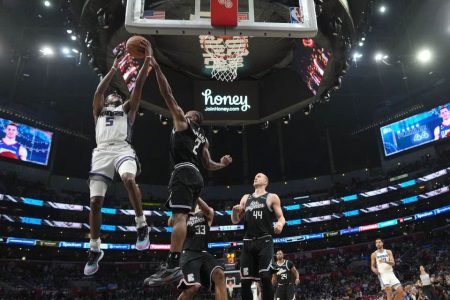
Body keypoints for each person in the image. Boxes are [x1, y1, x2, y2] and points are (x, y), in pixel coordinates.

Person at [144, 56, 232, 285]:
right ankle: (174, 261)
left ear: (191, 117)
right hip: (197, 176)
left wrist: (157, 70)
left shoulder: (183, 123)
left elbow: (167, 94)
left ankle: (172, 264)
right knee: (179, 216)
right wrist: (222, 164)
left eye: (186, 113)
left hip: (183, 171)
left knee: (180, 216)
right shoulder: (203, 138)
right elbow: (209, 164)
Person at [83, 39, 153, 276]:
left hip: (123, 148)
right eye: (110, 95)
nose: (112, 95)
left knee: (128, 179)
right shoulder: (98, 110)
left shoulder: (127, 109)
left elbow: (140, 84)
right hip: (101, 151)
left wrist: (147, 60)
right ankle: (95, 248)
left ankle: (141, 225)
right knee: (94, 202)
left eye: (115, 94)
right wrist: (113, 69)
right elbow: (98, 91)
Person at [231, 173, 286, 300]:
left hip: (264, 241)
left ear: (266, 182)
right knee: (245, 282)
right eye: (255, 176)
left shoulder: (272, 197)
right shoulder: (246, 198)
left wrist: (280, 224)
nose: (256, 177)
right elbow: (235, 221)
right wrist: (234, 212)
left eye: (259, 176)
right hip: (248, 242)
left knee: (266, 278)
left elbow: (281, 217)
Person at [174, 198, 227, 300]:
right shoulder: (184, 214)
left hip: (203, 253)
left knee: (219, 275)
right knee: (193, 287)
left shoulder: (207, 212)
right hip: (188, 253)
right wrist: (181, 213)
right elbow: (170, 222)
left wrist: (195, 195)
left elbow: (208, 211)